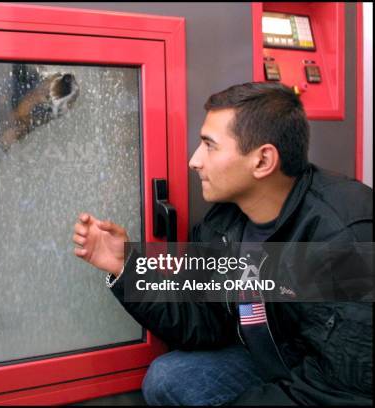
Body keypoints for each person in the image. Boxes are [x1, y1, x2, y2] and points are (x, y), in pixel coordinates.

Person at [73, 82, 372, 405]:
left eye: (209, 145)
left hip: (328, 382)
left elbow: (342, 390)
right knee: (170, 378)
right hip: (272, 363)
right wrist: (125, 266)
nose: (194, 161)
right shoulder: (223, 222)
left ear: (262, 161)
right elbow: (201, 318)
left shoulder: (344, 233)